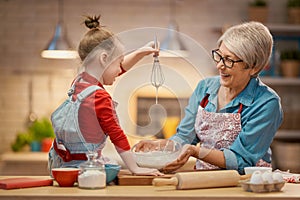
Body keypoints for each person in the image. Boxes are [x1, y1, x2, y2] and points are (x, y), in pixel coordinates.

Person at [135, 21, 283, 175]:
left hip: (246, 184)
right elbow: (185, 137)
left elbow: (241, 160)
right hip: (205, 179)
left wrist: (196, 151)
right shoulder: (205, 88)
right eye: (219, 56)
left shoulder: (266, 103)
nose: (220, 65)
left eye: (229, 60)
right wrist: (160, 146)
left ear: (254, 67)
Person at [48, 15, 162, 176]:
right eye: (118, 62)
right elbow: (117, 135)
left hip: (63, 166)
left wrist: (141, 52)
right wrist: (135, 168)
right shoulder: (100, 98)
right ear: (104, 58)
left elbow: (112, 71)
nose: (119, 70)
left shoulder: (78, 83)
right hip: (87, 170)